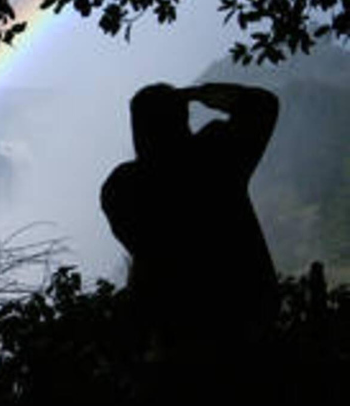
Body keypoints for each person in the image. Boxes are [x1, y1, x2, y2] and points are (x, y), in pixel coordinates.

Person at [101, 83, 279, 355]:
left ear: (137, 128)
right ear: (183, 119)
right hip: (246, 321)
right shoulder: (214, 155)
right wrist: (198, 93)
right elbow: (263, 103)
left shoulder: (122, 188)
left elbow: (144, 251)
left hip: (177, 336)